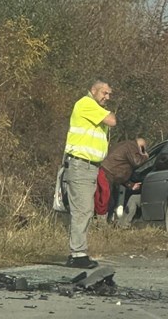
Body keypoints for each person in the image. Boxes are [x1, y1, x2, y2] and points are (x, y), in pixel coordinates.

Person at [62, 78, 116, 269]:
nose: (107, 97)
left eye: (109, 94)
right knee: (82, 210)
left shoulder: (93, 109)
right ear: (93, 90)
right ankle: (77, 254)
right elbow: (112, 120)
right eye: (104, 93)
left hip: (89, 166)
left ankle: (79, 252)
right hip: (81, 165)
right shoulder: (86, 104)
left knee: (85, 210)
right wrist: (106, 111)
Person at [96, 138, 149, 227]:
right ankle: (101, 224)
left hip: (109, 174)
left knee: (109, 201)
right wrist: (145, 156)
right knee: (105, 200)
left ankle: (104, 222)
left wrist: (130, 185)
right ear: (141, 147)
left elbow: (122, 172)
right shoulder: (131, 147)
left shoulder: (126, 146)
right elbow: (136, 162)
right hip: (107, 174)